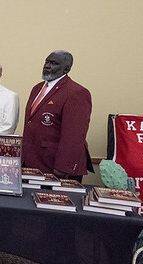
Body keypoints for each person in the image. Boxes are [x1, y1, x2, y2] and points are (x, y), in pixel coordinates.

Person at [22, 50, 93, 182]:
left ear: (66, 69)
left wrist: (63, 167)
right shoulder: (37, 88)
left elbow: (74, 134)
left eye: (54, 63)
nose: (47, 66)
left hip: (56, 167)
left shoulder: (76, 92)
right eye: (47, 61)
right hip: (32, 163)